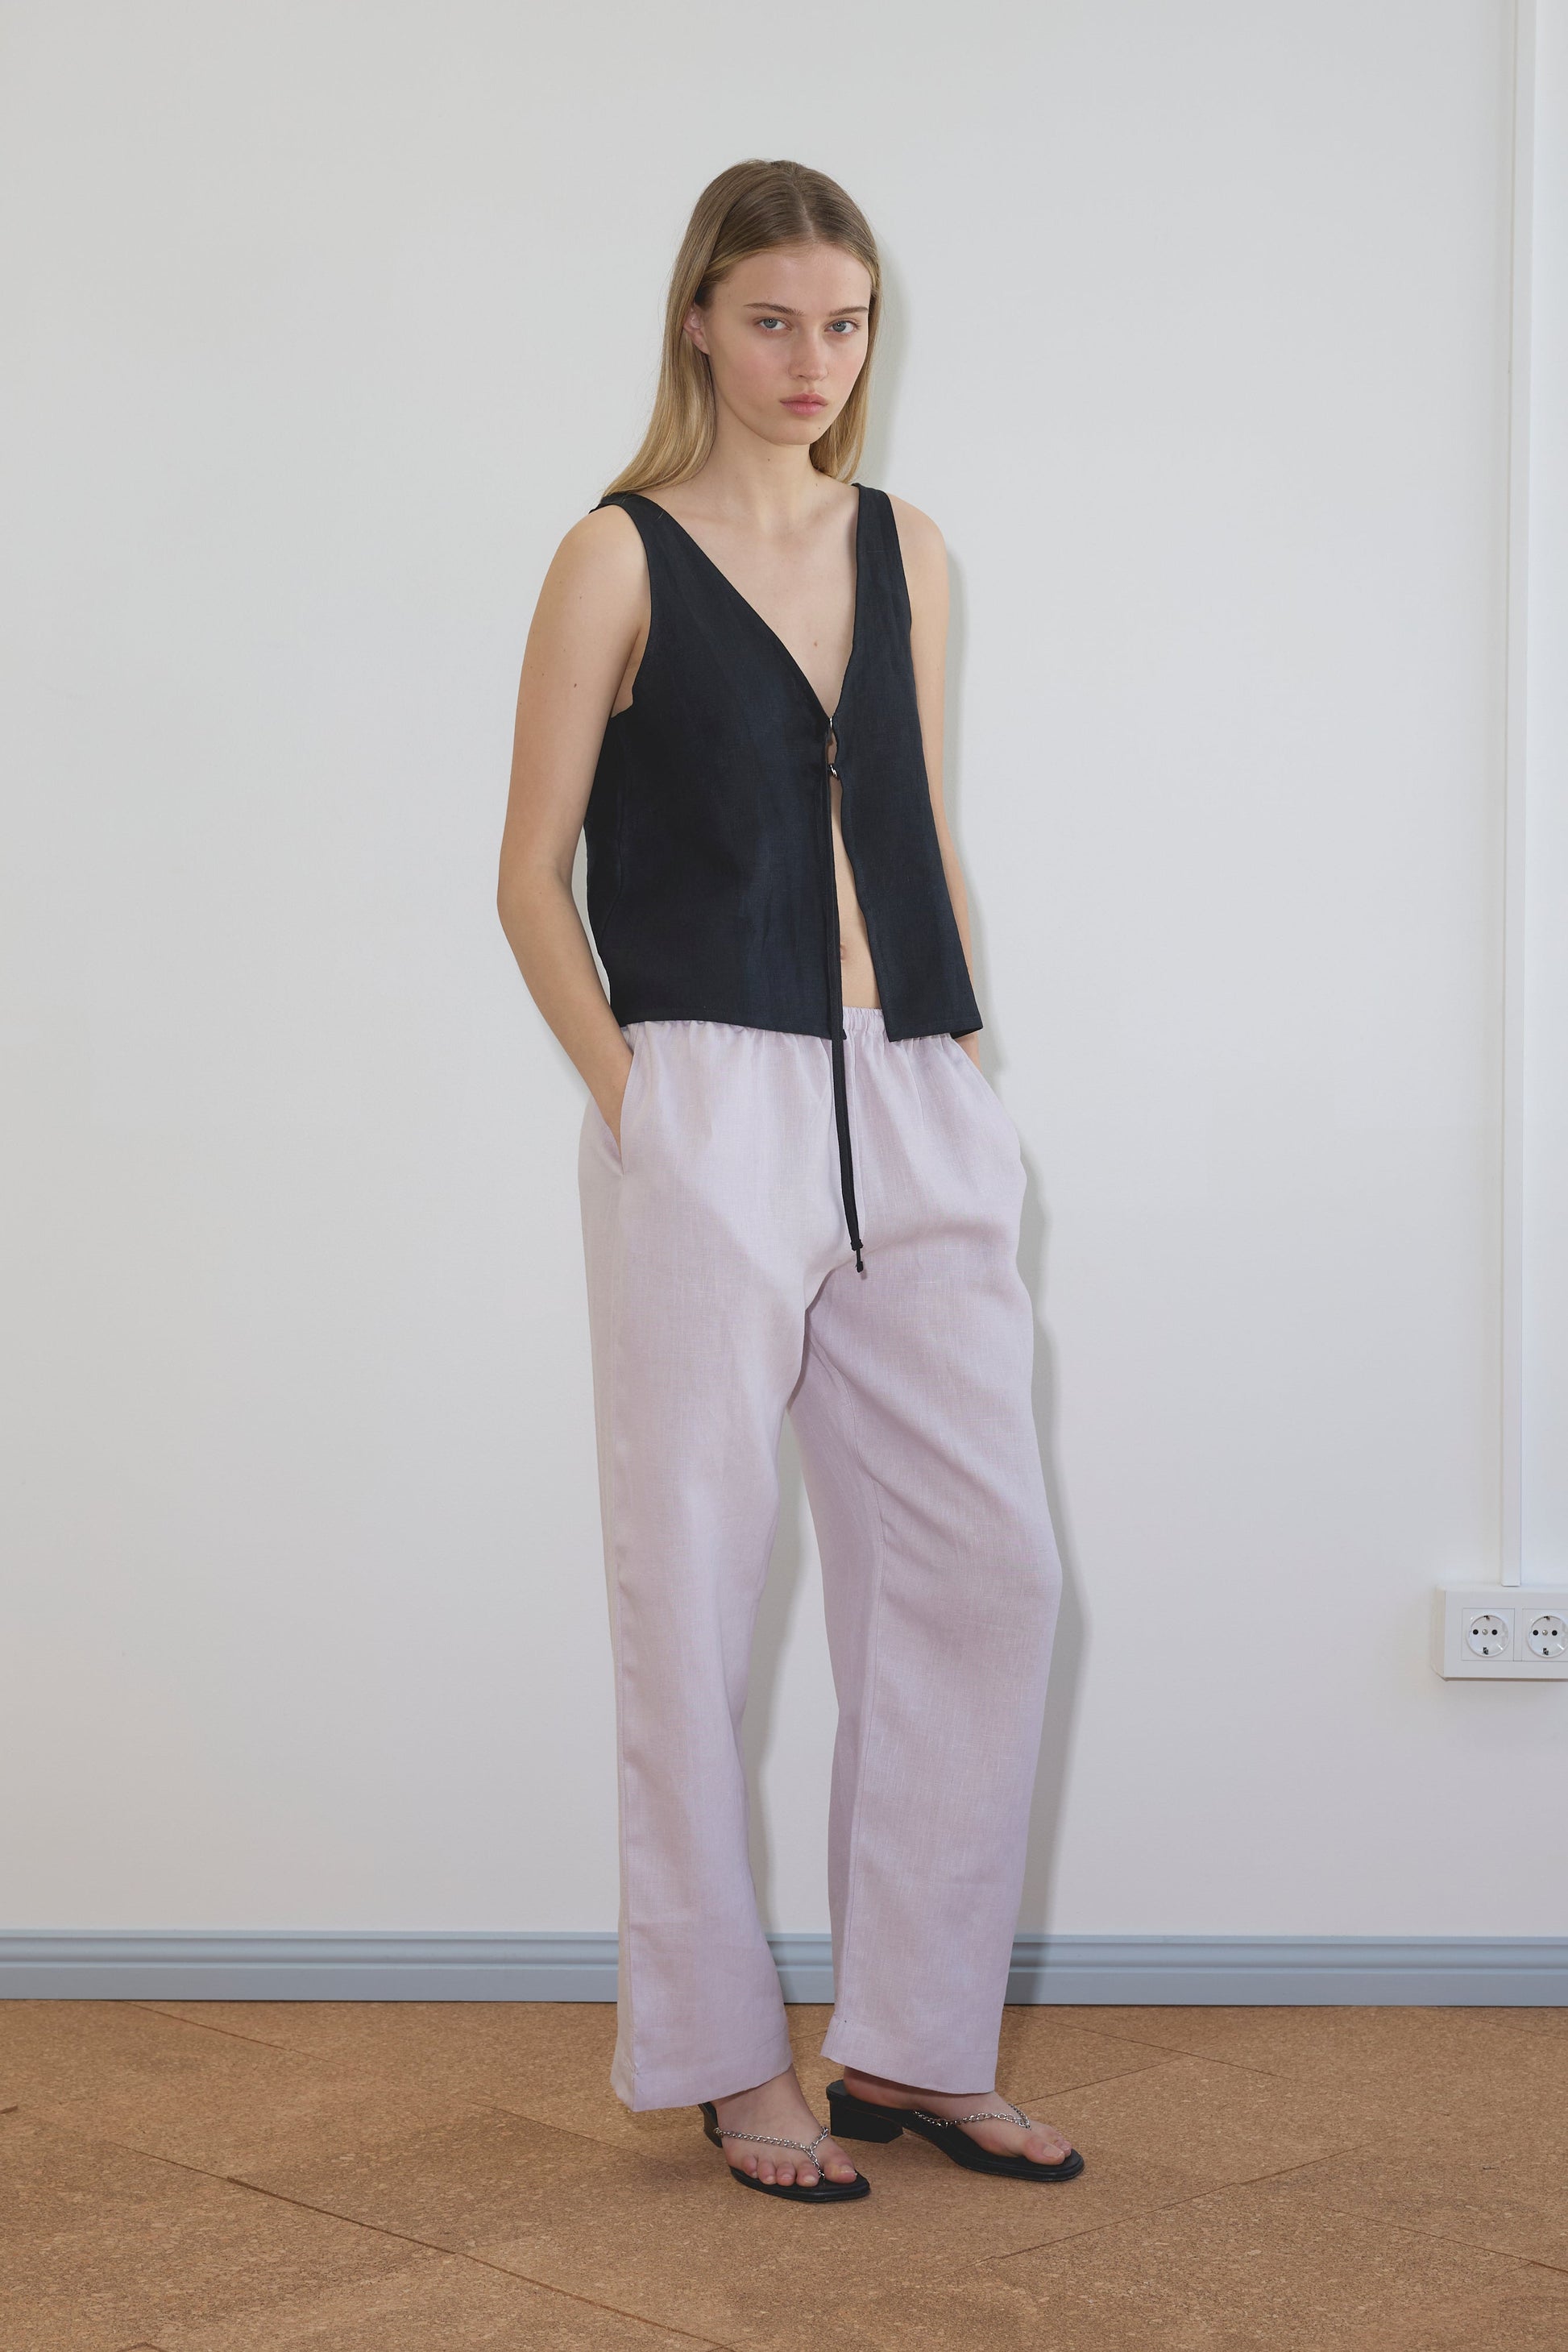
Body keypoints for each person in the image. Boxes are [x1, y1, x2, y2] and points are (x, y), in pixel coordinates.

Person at [496, 157, 1082, 2205]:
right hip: (707, 1099)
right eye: (771, 321)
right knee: (698, 1592)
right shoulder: (615, 554)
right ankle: (729, 2056)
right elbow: (525, 871)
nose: (810, 363)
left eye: (843, 324)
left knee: (984, 1566)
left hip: (909, 1086)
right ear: (697, 321)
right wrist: (640, 1106)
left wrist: (958, 1050)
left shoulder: (910, 544)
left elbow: (907, 822)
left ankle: (912, 2045)